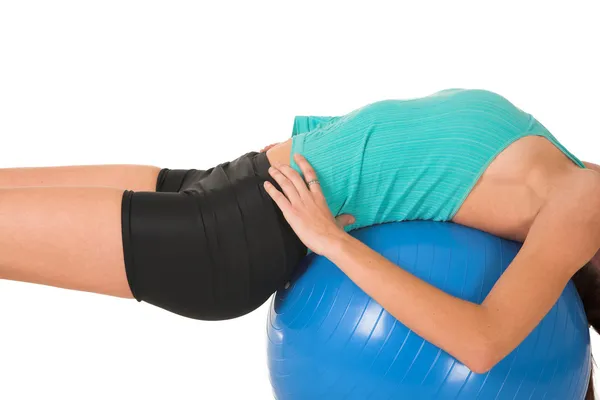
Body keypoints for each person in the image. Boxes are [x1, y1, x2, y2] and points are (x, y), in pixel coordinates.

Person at [1, 88, 598, 397]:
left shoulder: (584, 205)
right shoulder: (563, 174)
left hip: (234, 238)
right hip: (234, 186)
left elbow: (485, 342)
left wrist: (333, 244)